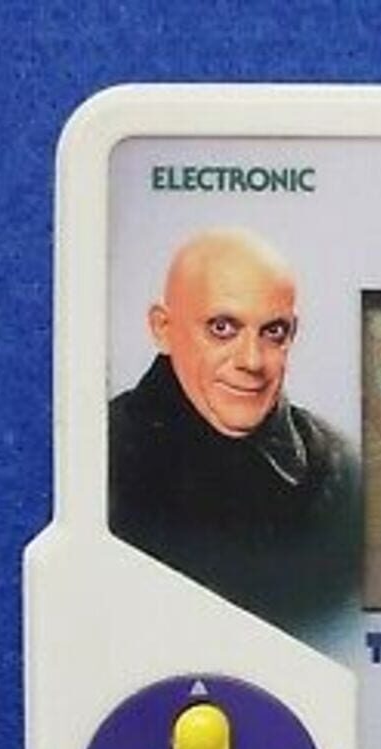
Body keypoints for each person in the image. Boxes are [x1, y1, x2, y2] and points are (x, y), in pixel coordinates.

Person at [109, 228, 360, 637]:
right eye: (222, 328)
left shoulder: (339, 469)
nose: (252, 361)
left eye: (273, 332)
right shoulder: (101, 456)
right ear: (162, 328)